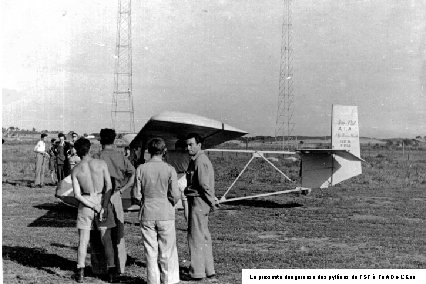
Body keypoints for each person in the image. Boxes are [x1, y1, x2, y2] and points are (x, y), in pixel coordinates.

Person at [134, 138, 181, 284]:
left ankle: (153, 281)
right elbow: (175, 195)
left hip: (147, 212)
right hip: (165, 212)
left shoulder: (141, 168)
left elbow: (136, 195)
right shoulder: (169, 169)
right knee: (167, 251)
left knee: (150, 251)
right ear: (164, 151)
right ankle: (168, 281)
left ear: (149, 151)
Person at [71, 138, 116, 283]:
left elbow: (77, 195)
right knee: (107, 240)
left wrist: (92, 205)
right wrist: (103, 205)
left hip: (86, 204)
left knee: (83, 240)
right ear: (89, 148)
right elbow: (109, 187)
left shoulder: (76, 169)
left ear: (77, 152)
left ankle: (80, 272)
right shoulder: (101, 164)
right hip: (102, 200)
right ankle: (111, 271)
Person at [93, 128, 135, 277]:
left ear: (100, 140)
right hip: (116, 195)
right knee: (119, 234)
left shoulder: (96, 156)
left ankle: (100, 268)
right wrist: (123, 189)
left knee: (101, 233)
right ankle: (120, 267)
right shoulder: (120, 156)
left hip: (100, 196)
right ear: (114, 140)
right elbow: (132, 174)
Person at [184, 133, 218, 280]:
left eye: (191, 144)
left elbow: (204, 185)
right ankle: (208, 269)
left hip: (199, 201)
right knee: (203, 236)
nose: (188, 147)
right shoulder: (197, 160)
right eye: (187, 145)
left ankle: (197, 272)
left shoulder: (200, 161)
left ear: (199, 145)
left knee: (196, 237)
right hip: (199, 201)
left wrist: (212, 201)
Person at [165, 139, 189, 221]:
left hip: (173, 177)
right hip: (184, 177)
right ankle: (189, 225)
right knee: (185, 203)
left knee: (171, 202)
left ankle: (168, 222)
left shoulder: (169, 154)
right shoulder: (187, 154)